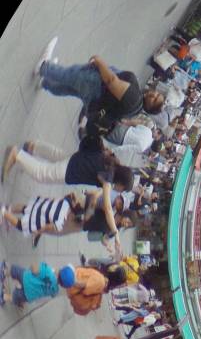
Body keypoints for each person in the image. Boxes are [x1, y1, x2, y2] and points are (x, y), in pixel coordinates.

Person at [2, 138, 134, 254]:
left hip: (78, 158)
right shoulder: (109, 178)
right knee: (42, 173)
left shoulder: (112, 162)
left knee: (58, 155)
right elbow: (108, 208)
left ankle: (33, 146)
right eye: (123, 188)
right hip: (73, 170)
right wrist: (116, 235)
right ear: (121, 182)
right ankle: (16, 155)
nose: (120, 190)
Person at [32, 41, 163, 133]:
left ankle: (44, 67)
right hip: (94, 99)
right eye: (157, 94)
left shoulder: (134, 98)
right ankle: (45, 83)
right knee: (69, 89)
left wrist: (100, 62)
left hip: (96, 87)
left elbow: (112, 81)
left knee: (69, 75)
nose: (154, 95)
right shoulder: (136, 109)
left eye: (155, 100)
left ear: (150, 108)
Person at [0, 261, 72, 309]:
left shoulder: (48, 271)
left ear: (60, 269)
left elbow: (34, 268)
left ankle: (4, 272)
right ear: (63, 286)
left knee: (15, 270)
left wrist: (33, 266)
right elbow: (52, 295)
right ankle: (4, 297)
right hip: (28, 295)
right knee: (16, 297)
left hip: (26, 279)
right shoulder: (55, 290)